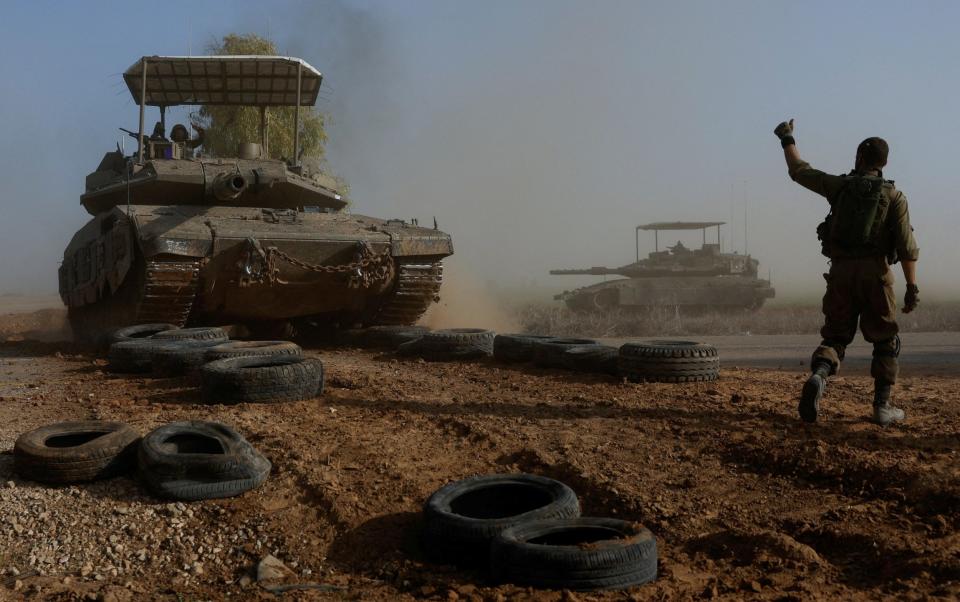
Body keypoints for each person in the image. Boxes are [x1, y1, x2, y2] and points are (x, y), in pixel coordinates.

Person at [774, 119, 919, 427]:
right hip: (877, 275)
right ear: (885, 163)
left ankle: (819, 375)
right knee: (885, 341)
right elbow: (907, 247)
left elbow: (798, 170)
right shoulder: (895, 197)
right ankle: (882, 406)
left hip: (840, 273)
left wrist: (787, 137)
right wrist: (912, 287)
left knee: (836, 336)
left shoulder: (838, 187)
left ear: (858, 157)